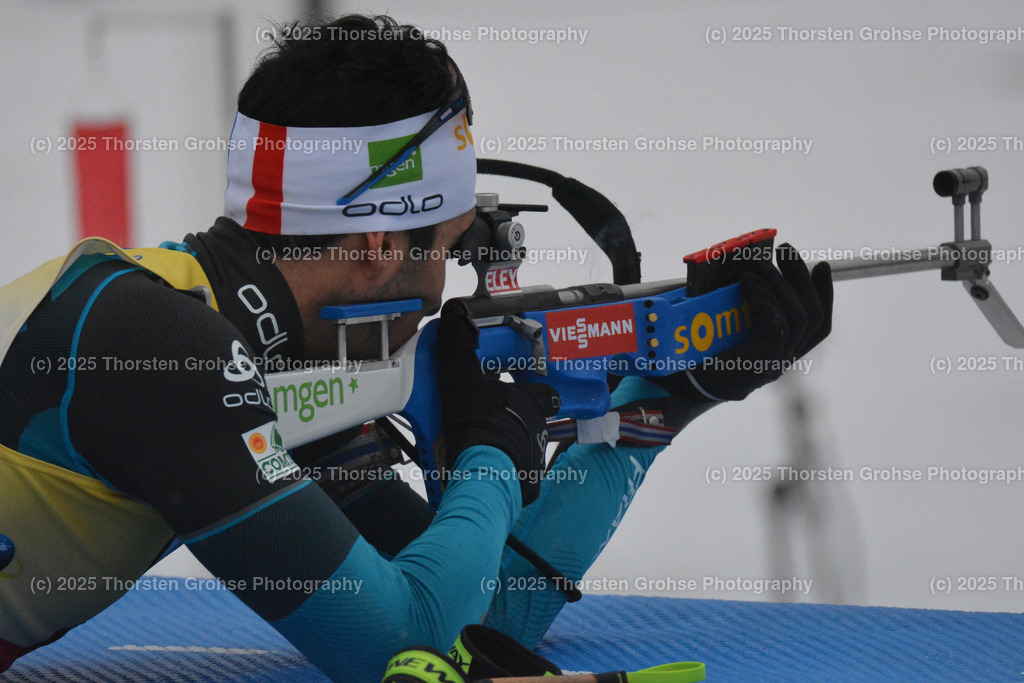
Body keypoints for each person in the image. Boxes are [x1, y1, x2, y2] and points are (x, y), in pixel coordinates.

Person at [0, 14, 832, 682]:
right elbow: (407, 646)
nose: (443, 288)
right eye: (446, 249)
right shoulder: (166, 349)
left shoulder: (250, 348)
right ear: (374, 246)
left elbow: (484, 622)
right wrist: (490, 449)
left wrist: (667, 396)